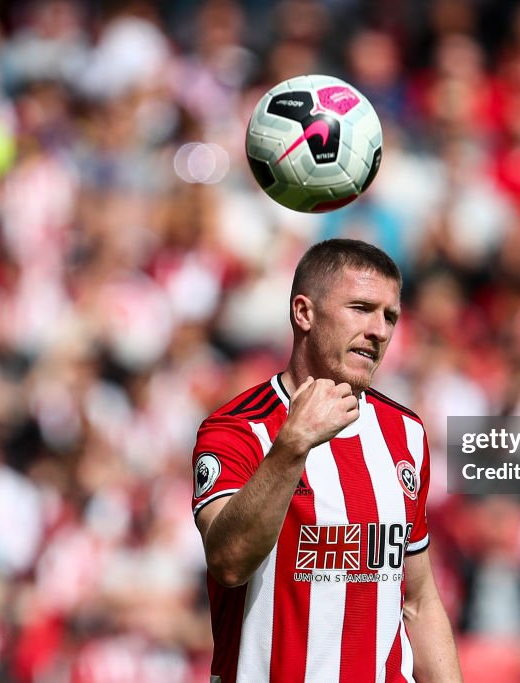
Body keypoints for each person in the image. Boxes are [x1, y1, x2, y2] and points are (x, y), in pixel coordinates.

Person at [191, 239, 462, 682]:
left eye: (389, 316)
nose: (379, 330)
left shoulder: (406, 434)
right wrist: (292, 446)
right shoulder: (238, 429)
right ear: (304, 313)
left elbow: (418, 599)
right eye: (361, 307)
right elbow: (229, 563)